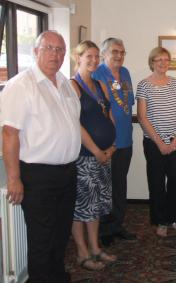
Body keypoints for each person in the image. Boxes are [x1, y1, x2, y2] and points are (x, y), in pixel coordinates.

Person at [0, 30, 80, 283]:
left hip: (67, 171)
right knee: (41, 238)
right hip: (38, 175)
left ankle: (57, 277)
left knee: (60, 233)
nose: (55, 55)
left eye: (60, 50)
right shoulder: (21, 85)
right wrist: (14, 178)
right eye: (49, 48)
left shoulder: (64, 82)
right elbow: (9, 133)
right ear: (36, 51)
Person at [70, 40, 117, 270]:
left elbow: (109, 116)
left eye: (97, 56)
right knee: (82, 207)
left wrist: (112, 146)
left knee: (96, 205)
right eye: (89, 56)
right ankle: (82, 252)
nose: (94, 60)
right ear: (78, 58)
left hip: (104, 155)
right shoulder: (72, 86)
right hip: (84, 157)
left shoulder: (100, 84)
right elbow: (74, 125)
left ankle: (96, 248)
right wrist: (97, 150)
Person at [136, 47, 176, 237]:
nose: (163, 63)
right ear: (152, 62)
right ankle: (160, 221)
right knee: (156, 182)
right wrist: (160, 143)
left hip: (175, 141)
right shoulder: (143, 85)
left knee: (175, 182)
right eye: (159, 60)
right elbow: (142, 117)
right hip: (153, 143)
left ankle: (175, 218)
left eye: (166, 59)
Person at [92, 37, 136, 245]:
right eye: (115, 52)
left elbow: (128, 102)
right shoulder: (97, 73)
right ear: (104, 54)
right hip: (107, 142)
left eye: (122, 52)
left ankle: (117, 224)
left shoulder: (125, 73)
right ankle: (104, 229)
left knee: (120, 184)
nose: (119, 56)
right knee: (104, 186)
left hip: (125, 138)